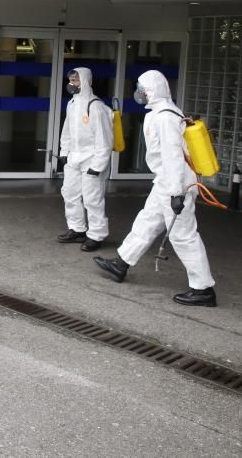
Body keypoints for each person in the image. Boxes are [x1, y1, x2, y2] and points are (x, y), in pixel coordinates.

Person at [94, 70, 217, 307]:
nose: (138, 93)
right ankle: (121, 263)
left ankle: (203, 289)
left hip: (175, 185)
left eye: (141, 88)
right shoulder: (162, 113)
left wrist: (176, 193)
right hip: (166, 182)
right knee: (147, 221)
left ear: (150, 91)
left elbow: (173, 158)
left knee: (184, 236)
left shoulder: (164, 118)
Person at [56, 67, 114, 252]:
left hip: (92, 159)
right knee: (70, 193)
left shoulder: (96, 106)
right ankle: (77, 228)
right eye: (72, 80)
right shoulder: (72, 103)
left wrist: (98, 165)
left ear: (86, 81)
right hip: (74, 157)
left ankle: (96, 235)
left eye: (77, 80)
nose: (73, 84)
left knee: (92, 198)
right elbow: (67, 130)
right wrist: (64, 151)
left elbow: (104, 139)